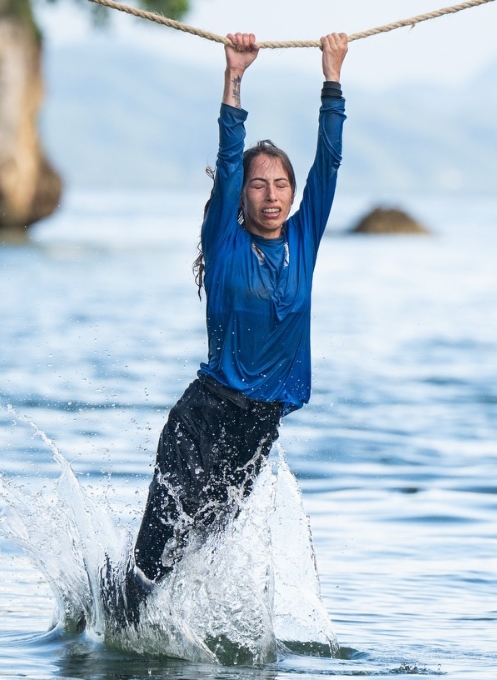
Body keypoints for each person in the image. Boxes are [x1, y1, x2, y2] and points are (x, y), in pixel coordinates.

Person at [111, 31, 349, 626]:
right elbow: (227, 152)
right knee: (153, 562)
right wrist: (233, 78)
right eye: (258, 185)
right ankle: (109, 628)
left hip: (257, 430)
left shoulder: (304, 239)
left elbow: (331, 161)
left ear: (294, 195)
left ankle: (157, 638)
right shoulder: (224, 243)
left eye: (281, 185)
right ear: (239, 198)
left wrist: (333, 77)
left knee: (193, 558)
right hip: (203, 418)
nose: (271, 195)